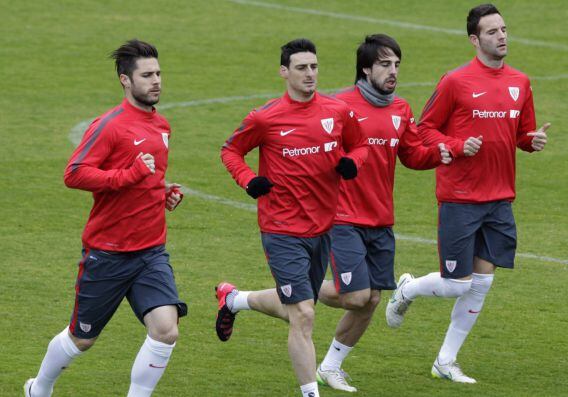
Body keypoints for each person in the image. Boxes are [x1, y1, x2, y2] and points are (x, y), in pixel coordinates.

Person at [385, 3, 550, 384]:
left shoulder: (520, 82)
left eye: (504, 29)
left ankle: (446, 361)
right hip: (460, 197)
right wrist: (458, 146)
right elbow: (424, 131)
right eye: (492, 32)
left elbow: (521, 134)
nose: (502, 36)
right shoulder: (455, 81)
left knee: (483, 282)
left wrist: (531, 141)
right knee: (454, 284)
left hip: (500, 198)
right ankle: (407, 288)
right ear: (475, 39)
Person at [25, 39, 186, 397]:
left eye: (158, 73)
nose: (156, 81)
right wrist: (127, 176)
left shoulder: (162, 126)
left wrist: (161, 194)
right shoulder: (110, 126)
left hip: (151, 252)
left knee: (166, 329)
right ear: (125, 81)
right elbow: (75, 173)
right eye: (147, 75)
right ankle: (40, 388)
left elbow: (146, 178)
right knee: (82, 338)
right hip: (108, 253)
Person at [216, 38, 368, 397]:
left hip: (323, 227)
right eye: (301, 68)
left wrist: (353, 162)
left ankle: (234, 300)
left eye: (314, 66)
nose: (310, 74)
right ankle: (310, 392)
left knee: (300, 307)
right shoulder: (265, 118)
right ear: (284, 72)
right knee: (304, 314)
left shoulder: (337, 111)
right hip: (281, 228)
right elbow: (231, 150)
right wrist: (248, 180)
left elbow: (360, 145)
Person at [312, 34, 451, 393]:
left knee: (371, 299)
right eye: (385, 65)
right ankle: (296, 289)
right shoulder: (338, 105)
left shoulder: (401, 109)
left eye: (397, 65)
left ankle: (330, 367)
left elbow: (413, 154)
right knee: (357, 296)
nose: (393, 72)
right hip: (342, 216)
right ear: (366, 68)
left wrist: (442, 154)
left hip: (380, 218)